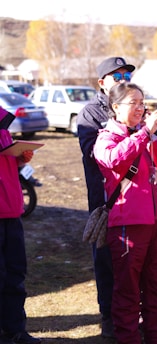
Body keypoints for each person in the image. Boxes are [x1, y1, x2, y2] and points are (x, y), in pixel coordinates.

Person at [93, 82, 157, 344]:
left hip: (156, 224)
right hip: (127, 226)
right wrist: (146, 131)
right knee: (128, 292)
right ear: (115, 107)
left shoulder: (146, 137)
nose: (140, 108)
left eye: (142, 103)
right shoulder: (107, 138)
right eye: (133, 103)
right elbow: (112, 160)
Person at [76, 56, 135, 338]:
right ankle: (109, 316)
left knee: (134, 259)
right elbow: (93, 154)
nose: (123, 80)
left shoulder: (137, 107)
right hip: (105, 198)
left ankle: (132, 315)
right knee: (106, 258)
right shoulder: (90, 113)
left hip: (136, 198)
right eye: (117, 76)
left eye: (126, 75)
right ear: (102, 83)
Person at [0, 107, 41, 344]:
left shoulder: (3, 122)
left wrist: (19, 158)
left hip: (12, 210)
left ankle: (15, 329)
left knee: (15, 273)